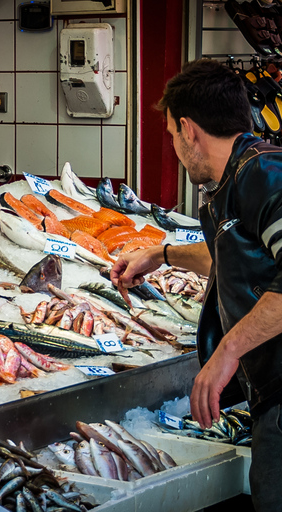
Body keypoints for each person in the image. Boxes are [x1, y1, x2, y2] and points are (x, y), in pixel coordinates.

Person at [110, 58, 282, 510]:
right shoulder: (234, 180)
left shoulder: (265, 176)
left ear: (188, 129)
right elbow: (241, 255)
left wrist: (229, 350)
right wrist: (161, 255)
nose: (173, 147)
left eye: (169, 135)